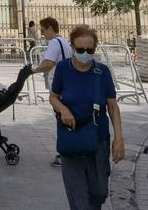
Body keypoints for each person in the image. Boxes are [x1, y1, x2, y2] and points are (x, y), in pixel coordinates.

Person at [50, 25, 125, 210]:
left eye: (89, 50)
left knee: (99, 193)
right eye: (80, 49)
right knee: (79, 199)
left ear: (95, 48)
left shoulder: (102, 72)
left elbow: (112, 106)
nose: (84, 53)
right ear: (72, 47)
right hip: (71, 139)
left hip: (98, 140)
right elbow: (53, 96)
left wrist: (119, 138)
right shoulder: (62, 69)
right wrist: (62, 109)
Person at [32, 16, 74, 166]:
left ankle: (64, 154)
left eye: (43, 31)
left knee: (61, 118)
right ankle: (69, 151)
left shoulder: (54, 43)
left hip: (59, 87)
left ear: (50, 28)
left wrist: (33, 70)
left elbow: (49, 63)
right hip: (66, 85)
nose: (42, 34)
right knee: (66, 117)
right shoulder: (64, 42)